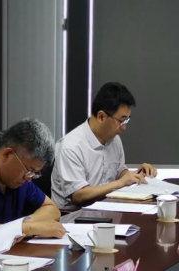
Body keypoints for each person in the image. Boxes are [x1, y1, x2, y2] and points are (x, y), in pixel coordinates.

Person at [51, 82, 157, 211]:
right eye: (121, 120)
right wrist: (121, 183)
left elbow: (119, 173)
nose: (124, 127)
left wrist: (136, 175)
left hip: (106, 210)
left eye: (127, 120)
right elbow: (79, 196)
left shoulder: (114, 139)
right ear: (101, 116)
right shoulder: (71, 147)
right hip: (73, 216)